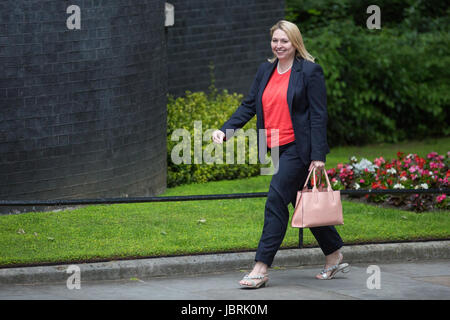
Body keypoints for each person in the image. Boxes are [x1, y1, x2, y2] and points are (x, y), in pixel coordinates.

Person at [212, 20, 349, 289]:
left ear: (294, 42)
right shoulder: (266, 70)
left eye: (284, 41)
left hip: (300, 149)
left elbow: (319, 115)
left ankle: (260, 268)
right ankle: (334, 255)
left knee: (275, 200)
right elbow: (250, 104)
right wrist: (226, 130)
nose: (278, 46)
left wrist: (317, 156)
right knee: (305, 203)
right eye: (275, 41)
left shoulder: (309, 72)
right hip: (277, 148)